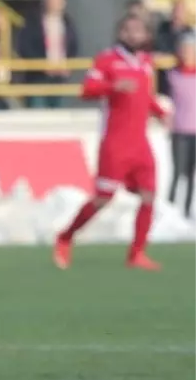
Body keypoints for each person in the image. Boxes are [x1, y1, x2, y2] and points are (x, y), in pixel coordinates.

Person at [54, 14, 171, 270]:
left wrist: (160, 112)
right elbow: (87, 90)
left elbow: (144, 96)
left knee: (149, 196)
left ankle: (136, 254)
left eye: (138, 30)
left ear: (146, 35)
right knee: (103, 199)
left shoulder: (146, 62)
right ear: (120, 33)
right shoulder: (107, 60)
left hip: (141, 143)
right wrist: (113, 85)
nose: (133, 35)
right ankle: (66, 236)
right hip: (115, 144)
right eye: (128, 30)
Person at [165, 34, 196, 219]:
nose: (187, 53)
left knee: (191, 174)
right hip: (179, 131)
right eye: (184, 49)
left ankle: (186, 212)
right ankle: (168, 211)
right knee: (177, 173)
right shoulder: (171, 75)